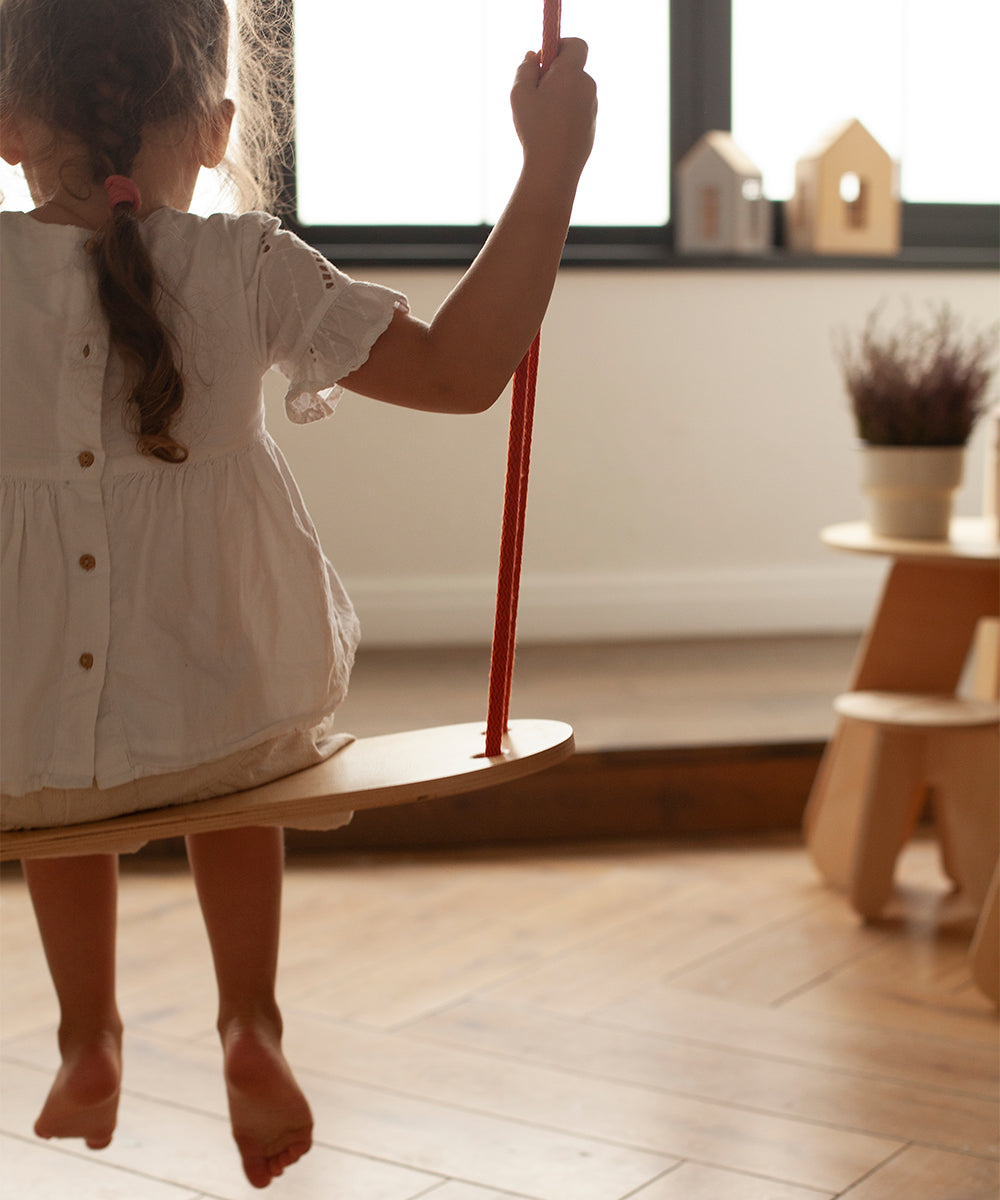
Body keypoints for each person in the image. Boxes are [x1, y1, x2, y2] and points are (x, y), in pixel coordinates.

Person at [0, 0, 596, 1188]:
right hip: (237, 728)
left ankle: (84, 1036)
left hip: (28, 754)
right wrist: (551, 173)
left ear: (11, 125)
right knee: (238, 727)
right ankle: (250, 1023)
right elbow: (465, 373)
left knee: (45, 745)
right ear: (218, 129)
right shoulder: (247, 262)